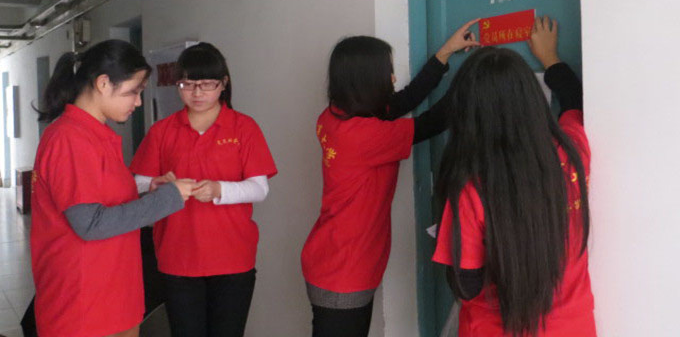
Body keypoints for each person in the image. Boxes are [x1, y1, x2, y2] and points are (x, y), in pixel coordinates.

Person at [301, 20, 480, 337]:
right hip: (345, 270)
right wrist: (478, 75)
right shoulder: (362, 135)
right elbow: (431, 122)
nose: (394, 78)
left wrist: (446, 52)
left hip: (334, 258)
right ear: (365, 80)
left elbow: (405, 100)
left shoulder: (335, 115)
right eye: (388, 72)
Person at [433, 17, 595, 336]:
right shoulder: (573, 152)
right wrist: (550, 59)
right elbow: (574, 101)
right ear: (532, 99)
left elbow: (466, 285)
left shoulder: (471, 188)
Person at [31, 39, 196, 337]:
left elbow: (102, 200)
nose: (138, 102)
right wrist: (167, 199)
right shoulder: (69, 138)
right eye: (133, 91)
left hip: (112, 298)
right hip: (83, 308)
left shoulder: (95, 135)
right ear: (103, 83)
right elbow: (91, 224)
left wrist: (149, 192)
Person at [130, 42, 277, 337]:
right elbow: (138, 183)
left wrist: (219, 190)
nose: (197, 93)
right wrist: (156, 185)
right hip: (177, 256)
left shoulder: (244, 128)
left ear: (223, 84)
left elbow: (259, 189)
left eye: (207, 84)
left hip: (233, 256)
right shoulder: (162, 131)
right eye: (187, 84)